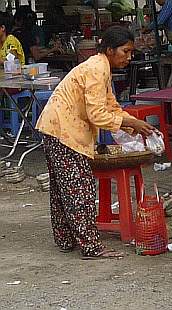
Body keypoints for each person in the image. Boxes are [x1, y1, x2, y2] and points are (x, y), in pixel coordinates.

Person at [36, 26, 155, 259]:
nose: (129, 57)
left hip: (55, 127)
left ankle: (66, 239)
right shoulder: (96, 69)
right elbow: (98, 115)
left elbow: (110, 105)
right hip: (64, 131)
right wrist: (128, 123)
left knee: (64, 190)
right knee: (79, 190)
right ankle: (90, 247)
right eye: (125, 51)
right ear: (110, 50)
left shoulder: (100, 67)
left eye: (131, 52)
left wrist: (131, 122)